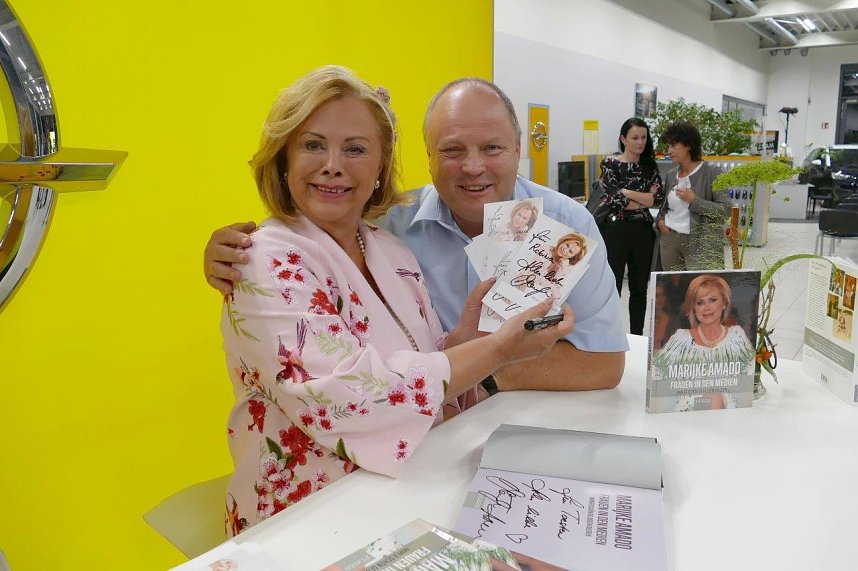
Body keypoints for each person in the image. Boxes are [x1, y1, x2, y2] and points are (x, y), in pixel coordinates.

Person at [222, 66, 572, 535]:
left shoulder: (389, 248)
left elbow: (420, 368)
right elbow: (350, 397)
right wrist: (498, 349)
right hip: (307, 521)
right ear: (282, 157)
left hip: (409, 493)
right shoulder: (261, 260)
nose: (333, 164)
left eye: (355, 148)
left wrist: (462, 340)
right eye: (312, 144)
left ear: (381, 164)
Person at [206, 78, 627, 392]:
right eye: (452, 150)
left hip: (513, 430)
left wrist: (477, 372)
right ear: (427, 157)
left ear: (519, 148)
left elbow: (605, 364)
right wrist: (236, 249)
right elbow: (313, 219)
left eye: (492, 148)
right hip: (389, 451)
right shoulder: (392, 226)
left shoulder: (566, 225)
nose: (474, 166)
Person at [599, 117, 664, 335]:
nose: (640, 142)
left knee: (639, 289)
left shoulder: (649, 166)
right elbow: (613, 200)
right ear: (623, 139)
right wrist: (644, 198)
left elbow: (658, 199)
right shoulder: (611, 165)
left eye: (644, 137)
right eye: (635, 137)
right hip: (615, 231)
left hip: (643, 231)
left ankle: (637, 336)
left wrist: (627, 193)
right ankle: (612, 334)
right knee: (612, 286)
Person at [653, 274, 754, 411]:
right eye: (700, 302)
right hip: (685, 418)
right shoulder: (680, 340)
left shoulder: (737, 337)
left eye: (712, 300)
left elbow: (747, 386)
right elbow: (658, 379)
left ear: (724, 302)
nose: (706, 307)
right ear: (693, 308)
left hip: (727, 419)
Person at [655, 121, 730, 271]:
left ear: (688, 145)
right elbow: (664, 207)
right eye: (668, 146)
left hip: (701, 243)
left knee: (701, 290)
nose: (669, 151)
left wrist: (694, 201)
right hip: (670, 240)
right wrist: (660, 222)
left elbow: (725, 211)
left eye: (674, 145)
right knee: (673, 291)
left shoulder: (713, 173)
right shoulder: (671, 175)